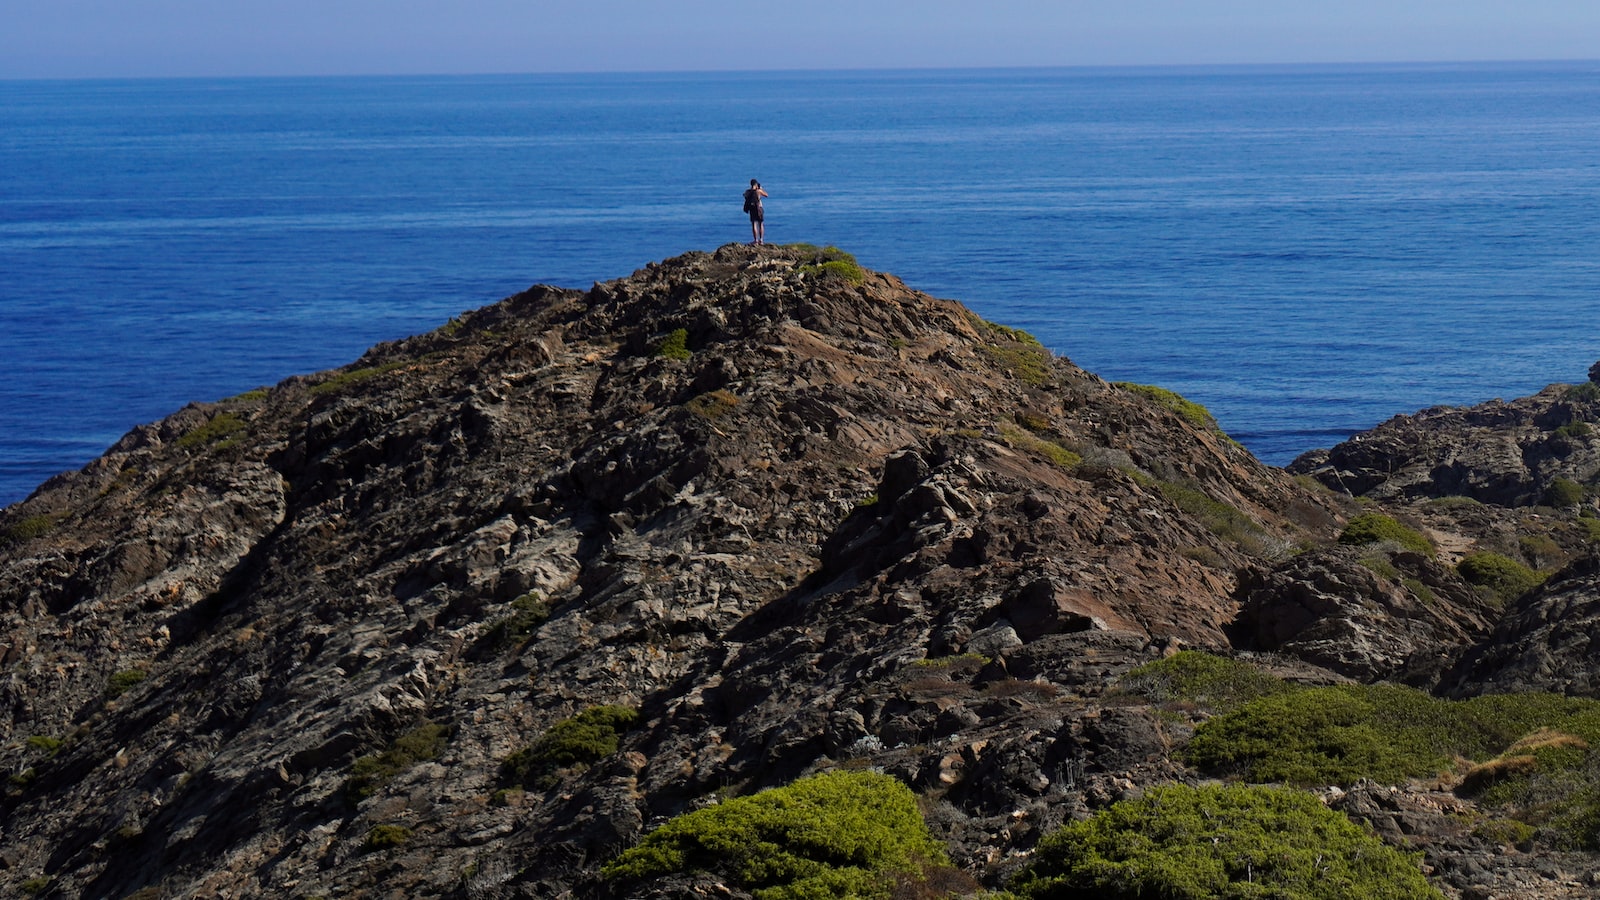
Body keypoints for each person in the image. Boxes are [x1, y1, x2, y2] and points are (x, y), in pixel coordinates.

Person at [744, 179, 769, 245]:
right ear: (756, 184)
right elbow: (766, 195)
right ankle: (761, 240)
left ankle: (756, 240)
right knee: (760, 224)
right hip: (759, 208)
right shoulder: (758, 191)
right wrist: (761, 189)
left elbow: (744, 196)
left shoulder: (748, 191)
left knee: (754, 224)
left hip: (752, 209)